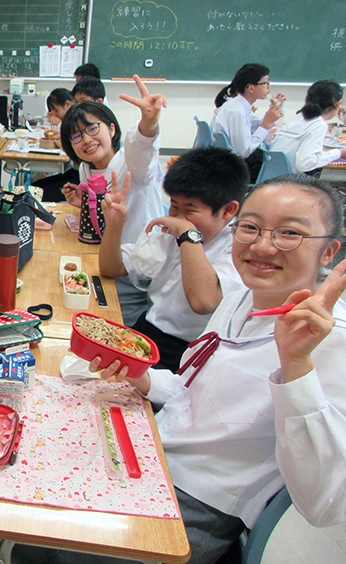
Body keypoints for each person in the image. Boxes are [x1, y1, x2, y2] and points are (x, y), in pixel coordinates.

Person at [80, 174, 346, 564]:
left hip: (195, 504)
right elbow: (192, 394)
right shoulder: (239, 300)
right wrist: (141, 375)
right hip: (153, 451)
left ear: (328, 253)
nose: (262, 245)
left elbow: (324, 501)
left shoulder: (330, 339)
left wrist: (296, 367)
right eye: (251, 228)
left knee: (37, 534)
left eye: (290, 233)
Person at [98, 148, 249, 372]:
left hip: (185, 353)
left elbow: (204, 302)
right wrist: (115, 225)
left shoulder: (237, 249)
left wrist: (188, 235)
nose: (177, 217)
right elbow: (112, 268)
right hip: (145, 330)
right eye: (174, 206)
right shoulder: (173, 231)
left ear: (228, 210)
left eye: (190, 209)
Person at [60, 75, 167, 326]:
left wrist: (148, 124)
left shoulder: (130, 165)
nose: (86, 140)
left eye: (92, 129)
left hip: (136, 274)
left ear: (111, 128)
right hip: (105, 262)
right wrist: (84, 204)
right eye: (76, 136)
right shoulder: (87, 169)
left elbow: (142, 148)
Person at [211, 63, 285, 182]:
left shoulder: (239, 105)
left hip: (230, 162)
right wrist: (266, 124)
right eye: (266, 83)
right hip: (234, 169)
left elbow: (256, 126)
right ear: (251, 88)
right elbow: (244, 151)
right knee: (277, 171)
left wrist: (271, 113)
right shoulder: (237, 111)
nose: (269, 88)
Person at [269, 79, 346, 175]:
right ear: (337, 103)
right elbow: (305, 163)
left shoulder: (298, 118)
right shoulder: (318, 125)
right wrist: (339, 153)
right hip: (289, 182)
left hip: (272, 177)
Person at [32, 89, 79, 202]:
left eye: (55, 110)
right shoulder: (69, 123)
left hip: (78, 179)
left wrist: (65, 146)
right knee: (35, 187)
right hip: (73, 173)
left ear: (67, 104)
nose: (55, 114)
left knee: (37, 192)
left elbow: (80, 157)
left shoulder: (77, 123)